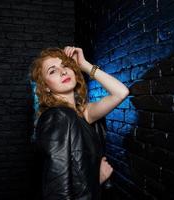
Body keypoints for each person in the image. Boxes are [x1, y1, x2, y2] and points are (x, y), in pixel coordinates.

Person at [30, 46, 129, 200]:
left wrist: (84, 65)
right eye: (52, 71)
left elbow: (121, 92)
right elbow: (57, 192)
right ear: (46, 87)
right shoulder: (57, 117)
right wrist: (97, 180)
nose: (63, 71)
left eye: (65, 65)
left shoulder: (83, 113)